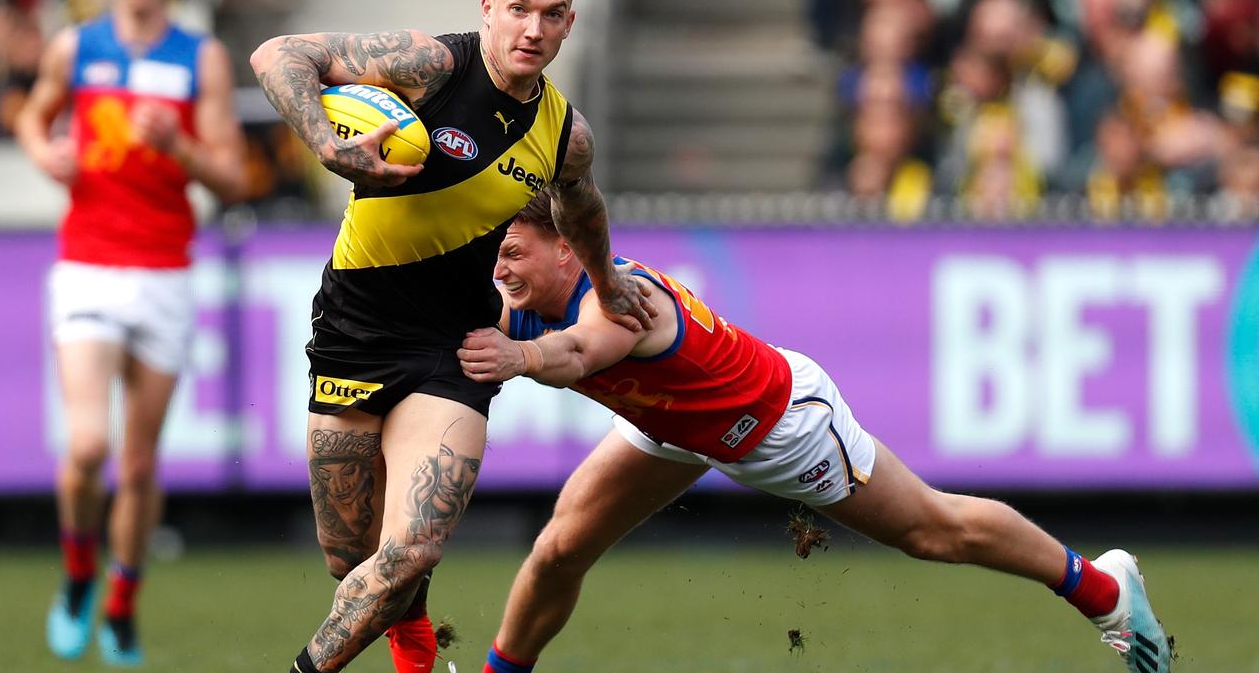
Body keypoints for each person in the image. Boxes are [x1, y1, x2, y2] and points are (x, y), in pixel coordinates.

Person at [455, 188, 1175, 673]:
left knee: (931, 529)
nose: (502, 270)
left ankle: (1102, 588)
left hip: (779, 425)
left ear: (565, 251)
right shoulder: (524, 296)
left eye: (513, 254)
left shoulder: (622, 299)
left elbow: (577, 353)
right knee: (558, 548)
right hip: (678, 426)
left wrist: (515, 357)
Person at [248, 0, 654, 672]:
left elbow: (581, 206)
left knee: (413, 549)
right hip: (353, 331)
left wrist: (604, 282)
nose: (533, 29)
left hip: (454, 346)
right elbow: (278, 53)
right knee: (350, 562)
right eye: (519, 8)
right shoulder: (430, 65)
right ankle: (413, 627)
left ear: (569, 24)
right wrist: (326, 144)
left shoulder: (563, 134)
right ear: (489, 7)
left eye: (551, 14)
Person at [13, 0, 249, 666]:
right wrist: (42, 151)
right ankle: (80, 572)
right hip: (87, 266)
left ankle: (121, 604)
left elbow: (235, 177)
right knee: (88, 448)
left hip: (164, 274)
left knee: (140, 467)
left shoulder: (199, 58)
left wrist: (178, 145)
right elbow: (33, 113)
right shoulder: (76, 46)